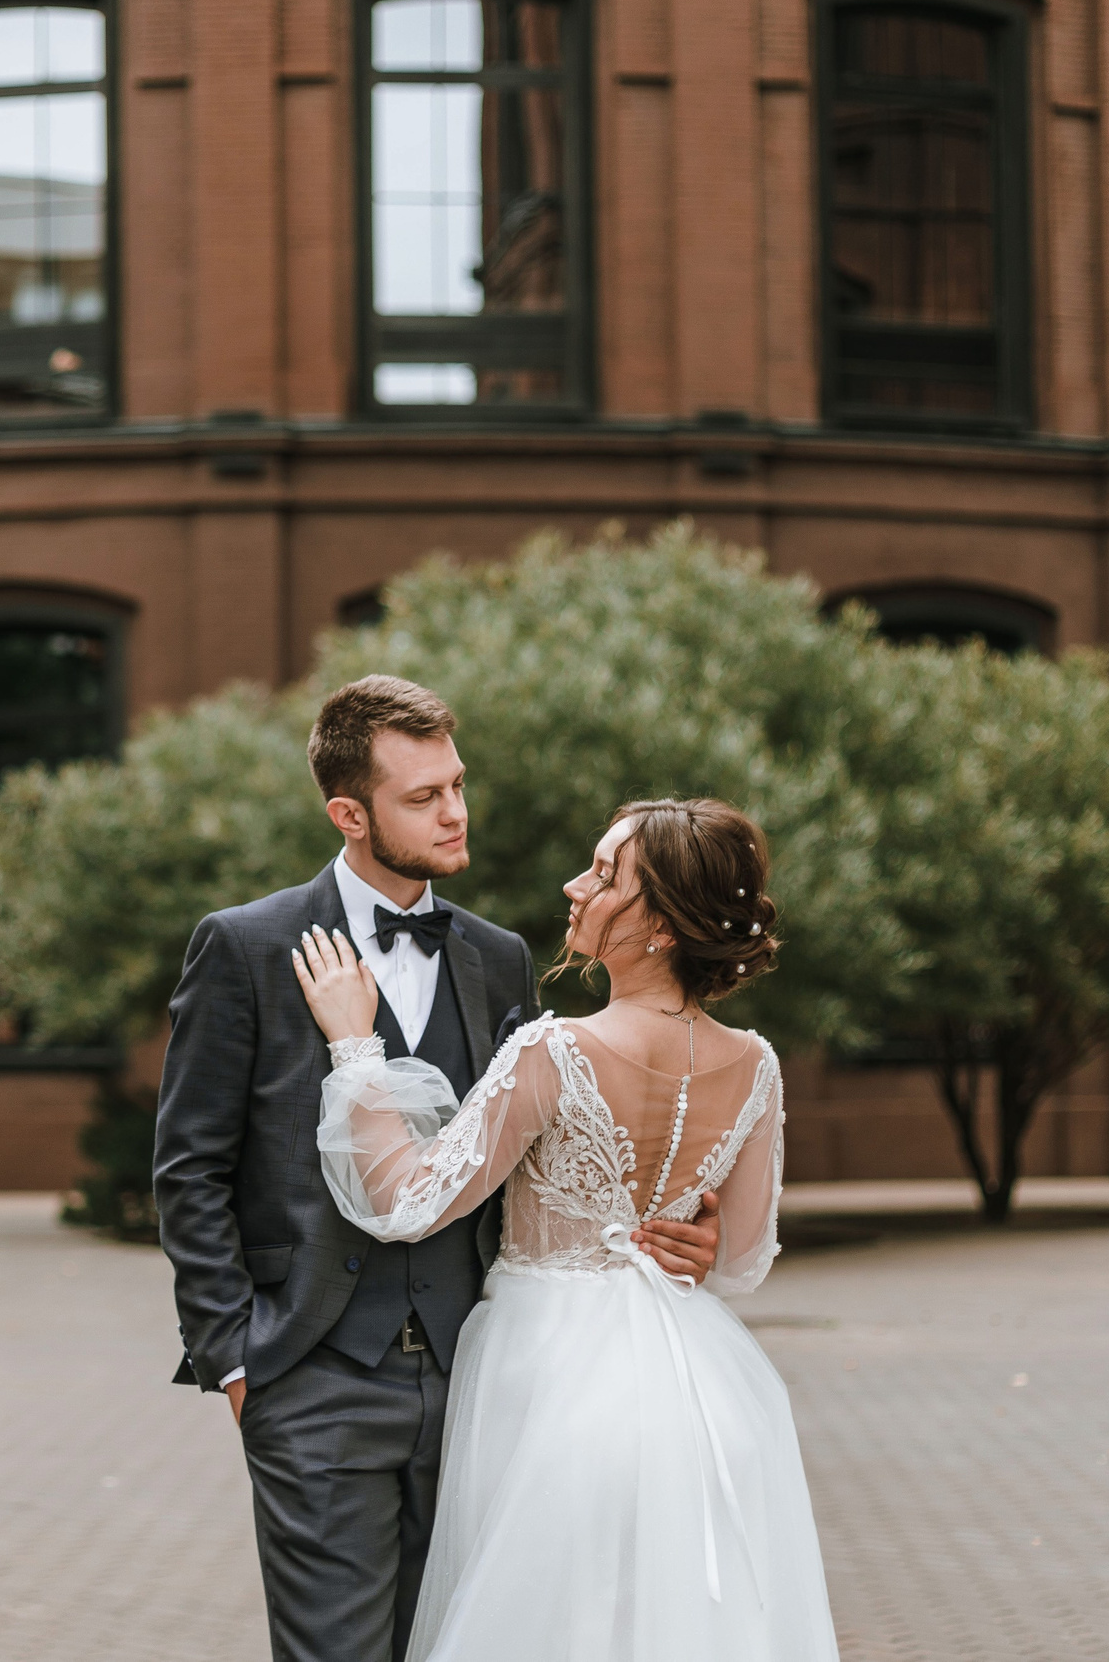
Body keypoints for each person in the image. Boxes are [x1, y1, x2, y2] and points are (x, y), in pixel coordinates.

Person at [154, 676, 727, 1662]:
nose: (454, 810)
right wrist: (240, 1362)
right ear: (349, 813)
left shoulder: (495, 958)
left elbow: (534, 1158)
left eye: (456, 784)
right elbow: (188, 1169)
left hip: (481, 1379)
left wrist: (673, 1221)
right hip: (314, 1377)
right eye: (423, 797)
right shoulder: (246, 947)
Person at [289, 796, 839, 1661]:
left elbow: (407, 1201)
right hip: (700, 1391)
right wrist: (693, 1236)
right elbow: (740, 1262)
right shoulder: (756, 1065)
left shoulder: (559, 1051)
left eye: (605, 874)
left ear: (660, 923)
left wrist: (356, 1044)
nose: (573, 885)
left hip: (551, 1379)